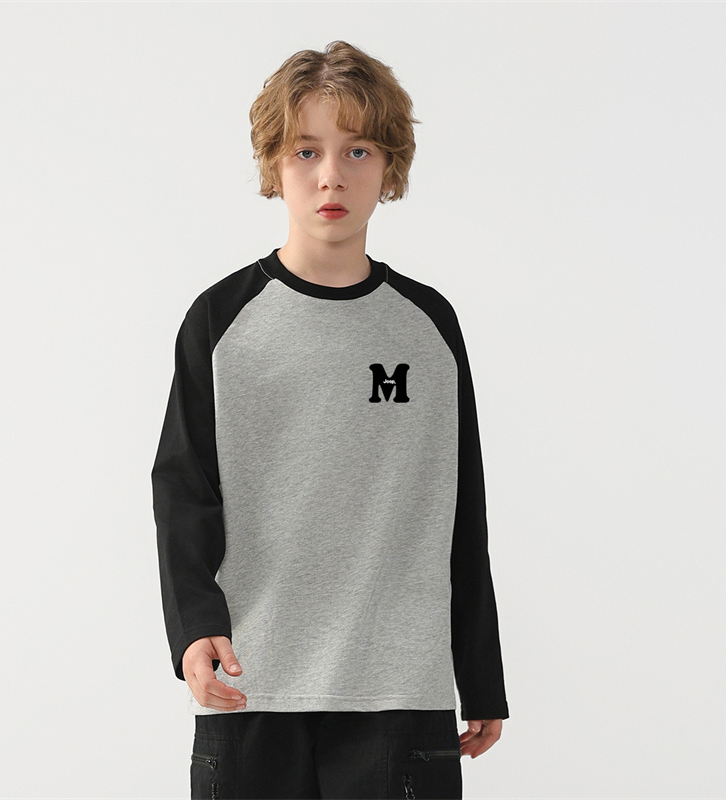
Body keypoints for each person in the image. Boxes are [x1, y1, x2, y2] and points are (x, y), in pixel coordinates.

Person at [151, 40, 509, 800]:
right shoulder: (220, 320)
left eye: (358, 150)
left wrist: (481, 674)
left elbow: (459, 503)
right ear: (274, 163)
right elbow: (183, 487)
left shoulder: (428, 326)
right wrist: (192, 627)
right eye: (306, 150)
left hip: (399, 692)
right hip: (253, 684)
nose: (331, 176)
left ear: (390, 165)